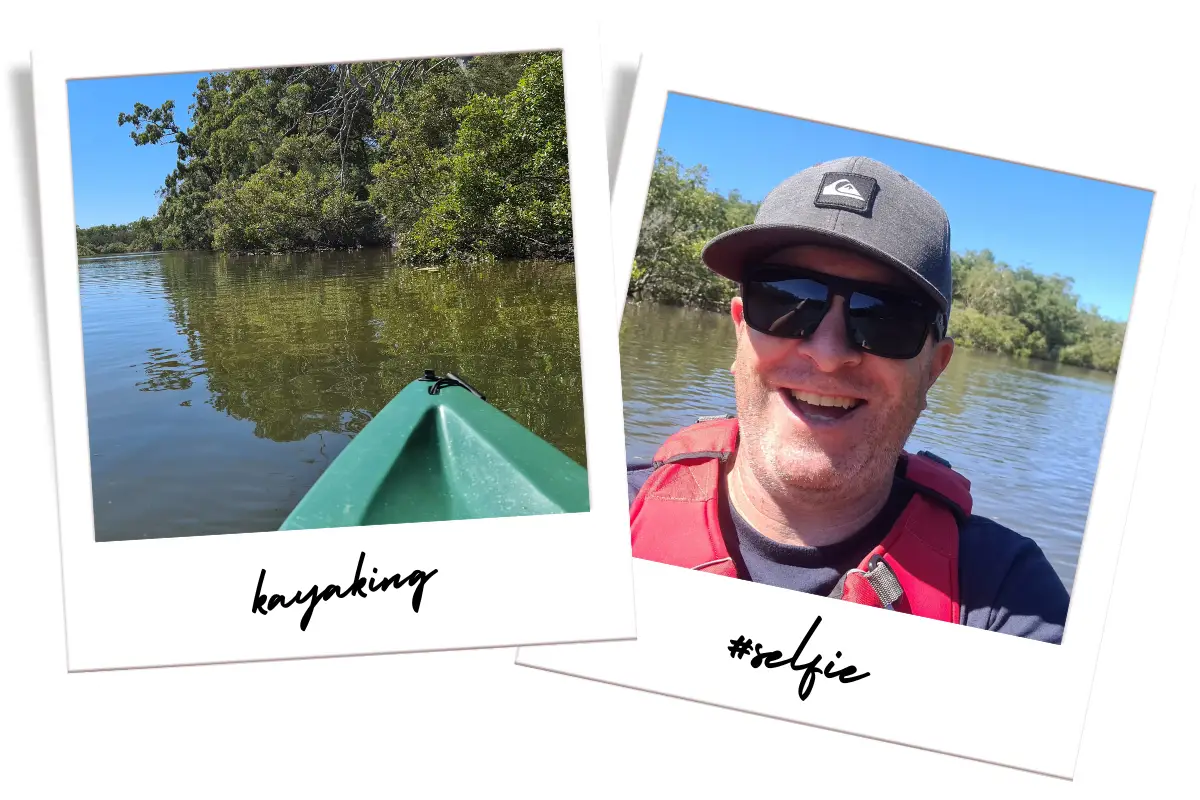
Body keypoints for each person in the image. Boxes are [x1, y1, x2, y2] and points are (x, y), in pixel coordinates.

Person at [628, 156, 1070, 644]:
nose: (828, 353)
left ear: (933, 370)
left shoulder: (1010, 599)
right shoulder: (604, 509)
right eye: (785, 299)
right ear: (739, 329)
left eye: (885, 318)